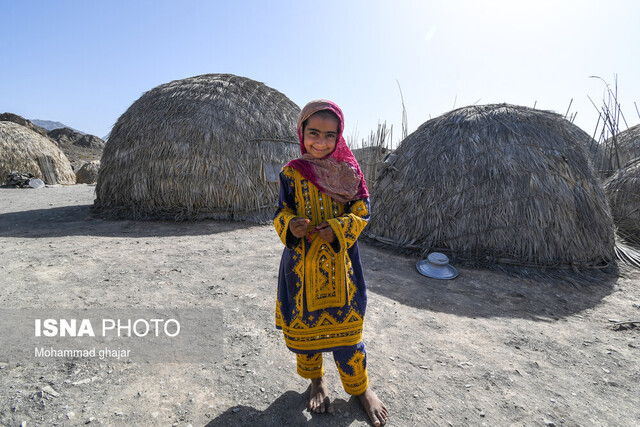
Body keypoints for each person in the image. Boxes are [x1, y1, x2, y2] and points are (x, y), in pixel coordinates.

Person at [273, 100, 388, 426]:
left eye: (329, 135)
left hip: (341, 268)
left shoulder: (350, 172)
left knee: (348, 334)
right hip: (301, 269)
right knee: (307, 329)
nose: (321, 142)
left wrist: (339, 228)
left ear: (339, 136)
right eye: (313, 133)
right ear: (302, 133)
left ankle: (359, 388)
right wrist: (291, 223)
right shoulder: (291, 173)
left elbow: (362, 211)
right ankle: (316, 381)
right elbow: (280, 211)